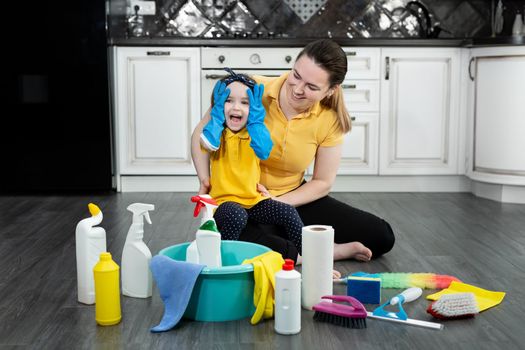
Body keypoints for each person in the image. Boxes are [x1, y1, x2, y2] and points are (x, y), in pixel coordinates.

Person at [192, 39, 395, 264]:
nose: (298, 89)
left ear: (331, 90)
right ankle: (322, 251)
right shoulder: (250, 91)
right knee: (237, 226)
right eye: (296, 76)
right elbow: (202, 132)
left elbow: (322, 182)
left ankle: (286, 242)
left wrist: (278, 203)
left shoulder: (330, 119)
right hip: (239, 200)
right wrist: (204, 179)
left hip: (290, 198)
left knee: (380, 236)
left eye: (312, 87)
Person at [198, 69, 305, 255]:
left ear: (254, 107)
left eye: (245, 103)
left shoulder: (255, 133)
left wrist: (256, 122)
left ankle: (312, 258)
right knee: (236, 215)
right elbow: (208, 144)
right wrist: (216, 116)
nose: (236, 108)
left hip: (253, 201)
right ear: (218, 104)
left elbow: (263, 151)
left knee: (289, 212)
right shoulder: (216, 133)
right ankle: (223, 259)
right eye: (228, 101)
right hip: (223, 203)